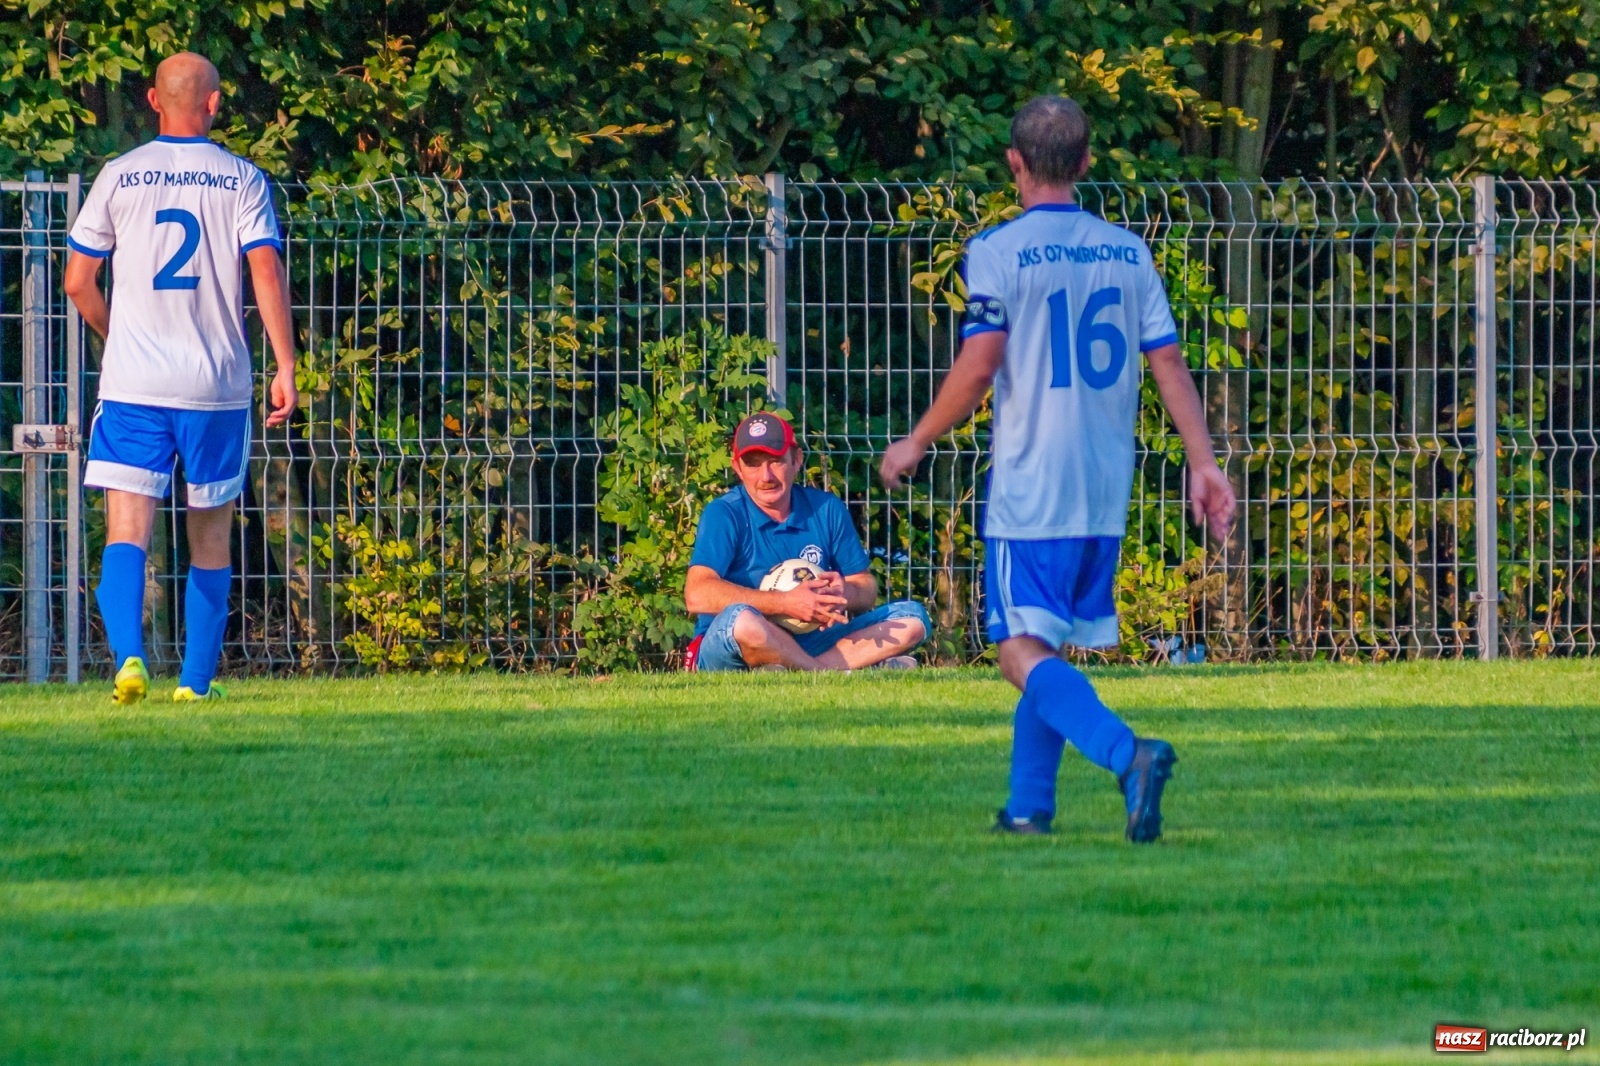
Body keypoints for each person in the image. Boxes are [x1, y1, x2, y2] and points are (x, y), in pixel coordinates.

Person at [879, 96, 1236, 842]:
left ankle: (1127, 754)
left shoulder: (998, 250)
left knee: (1017, 652)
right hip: (1103, 483)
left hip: (1033, 481)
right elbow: (1168, 363)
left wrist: (917, 439)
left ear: (1014, 163)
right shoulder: (1127, 251)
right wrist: (1204, 463)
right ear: (1085, 162)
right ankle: (1028, 809)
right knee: (1045, 647)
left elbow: (981, 364)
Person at [63, 52, 298, 704]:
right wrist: (285, 364)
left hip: (135, 383)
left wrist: (116, 334)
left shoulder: (119, 174)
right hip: (214, 385)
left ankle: (129, 661)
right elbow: (265, 270)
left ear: (152, 100)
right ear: (214, 103)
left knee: (126, 531)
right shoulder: (242, 179)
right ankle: (194, 685)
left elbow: (77, 281)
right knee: (210, 536)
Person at [685, 411, 931, 672]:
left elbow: (866, 587)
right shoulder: (724, 513)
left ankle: (788, 669)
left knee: (913, 618)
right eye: (753, 465)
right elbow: (697, 594)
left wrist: (844, 593)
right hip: (737, 644)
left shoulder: (825, 508)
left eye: (775, 461)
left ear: (797, 460)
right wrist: (785, 602)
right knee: (742, 621)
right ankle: (825, 671)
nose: (766, 476)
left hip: (813, 641)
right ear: (737, 468)